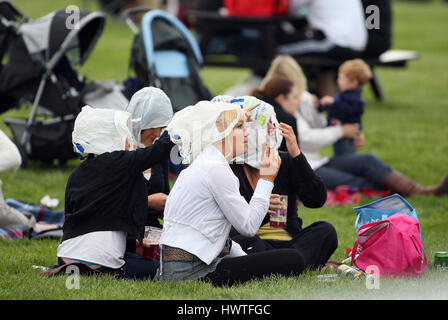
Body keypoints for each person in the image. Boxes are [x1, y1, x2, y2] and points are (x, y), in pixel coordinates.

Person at [158, 100, 306, 286]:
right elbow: (249, 225)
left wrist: (236, 114)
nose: (247, 133)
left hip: (181, 265)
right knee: (293, 259)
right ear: (221, 132)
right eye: (239, 127)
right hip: (192, 272)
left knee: (252, 243)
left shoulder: (208, 160)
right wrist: (267, 179)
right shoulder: (215, 168)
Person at [262, 55, 448, 196]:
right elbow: (306, 139)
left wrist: (345, 128)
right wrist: (341, 131)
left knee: (368, 160)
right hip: (309, 167)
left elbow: (319, 126)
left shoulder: (300, 99)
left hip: (319, 160)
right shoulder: (278, 112)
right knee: (354, 181)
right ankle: (397, 194)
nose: (298, 95)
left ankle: (421, 191)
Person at [214, 95, 337, 270]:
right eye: (266, 124)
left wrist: (296, 154)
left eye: (273, 123)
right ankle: (295, 263)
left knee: (326, 231)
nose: (273, 129)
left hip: (289, 240)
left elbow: (316, 199)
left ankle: (289, 263)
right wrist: (256, 204)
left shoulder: (284, 160)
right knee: (252, 244)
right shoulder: (230, 167)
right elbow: (228, 226)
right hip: (255, 243)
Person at [53, 106, 175, 280]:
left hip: (65, 258)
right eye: (125, 133)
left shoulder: (77, 173)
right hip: (99, 263)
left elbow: (99, 217)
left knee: (136, 257)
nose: (130, 139)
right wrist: (182, 126)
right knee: (162, 268)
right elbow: (159, 150)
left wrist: (133, 243)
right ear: (110, 138)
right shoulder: (118, 162)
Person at [126, 87, 173, 229]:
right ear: (137, 123)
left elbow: (165, 197)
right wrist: (147, 202)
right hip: (125, 231)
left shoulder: (158, 155)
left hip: (153, 229)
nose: (157, 133)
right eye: (152, 127)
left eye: (161, 127)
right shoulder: (120, 155)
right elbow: (111, 203)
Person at [319, 59, 372, 157]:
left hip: (347, 135)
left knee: (345, 155)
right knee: (340, 153)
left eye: (341, 78)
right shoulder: (346, 96)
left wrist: (330, 105)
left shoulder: (354, 99)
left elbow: (343, 111)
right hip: (342, 132)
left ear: (354, 82)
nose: (338, 80)